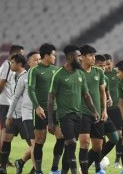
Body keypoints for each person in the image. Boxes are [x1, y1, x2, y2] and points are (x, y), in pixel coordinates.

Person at [47, 45, 100, 174]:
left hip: (78, 115)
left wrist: (94, 111)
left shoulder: (80, 73)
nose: (80, 59)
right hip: (64, 115)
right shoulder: (59, 75)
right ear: (70, 57)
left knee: (69, 146)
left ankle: (64, 171)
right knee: (71, 143)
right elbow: (50, 98)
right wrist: (50, 121)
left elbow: (86, 95)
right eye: (78, 57)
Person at [28, 43, 65, 174]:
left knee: (61, 137)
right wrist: (37, 107)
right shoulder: (35, 70)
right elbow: (31, 90)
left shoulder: (56, 70)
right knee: (40, 140)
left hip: (55, 110)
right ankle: (38, 170)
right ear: (46, 56)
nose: (55, 57)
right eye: (53, 55)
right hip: (41, 111)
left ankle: (55, 168)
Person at [0, 54, 31, 174]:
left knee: (33, 143)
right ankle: (2, 167)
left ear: (19, 64)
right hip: (13, 114)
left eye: (12, 62)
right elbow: (13, 97)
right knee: (6, 139)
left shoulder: (27, 77)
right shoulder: (13, 76)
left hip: (24, 116)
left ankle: (35, 168)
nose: (10, 64)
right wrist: (10, 114)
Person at [0, 45, 24, 166]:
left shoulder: (10, 66)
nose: (22, 56)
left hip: (8, 102)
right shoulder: (8, 65)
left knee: (5, 131)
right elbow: (1, 83)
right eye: (21, 53)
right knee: (5, 131)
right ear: (15, 54)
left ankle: (3, 159)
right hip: (4, 102)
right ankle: (2, 161)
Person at [78, 45, 108, 174]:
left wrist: (104, 110)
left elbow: (102, 93)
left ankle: (97, 168)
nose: (93, 58)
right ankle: (84, 171)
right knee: (84, 142)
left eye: (94, 55)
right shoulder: (77, 72)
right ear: (82, 57)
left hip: (97, 114)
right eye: (90, 55)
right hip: (82, 113)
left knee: (98, 146)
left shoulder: (98, 72)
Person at [86, 55, 119, 170]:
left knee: (115, 138)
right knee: (97, 145)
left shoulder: (106, 78)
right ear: (94, 65)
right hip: (91, 114)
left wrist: (109, 99)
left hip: (103, 113)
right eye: (101, 66)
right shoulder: (88, 76)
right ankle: (89, 167)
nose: (103, 68)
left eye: (105, 66)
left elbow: (106, 93)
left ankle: (96, 160)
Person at [12, 52, 41, 173]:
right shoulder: (23, 78)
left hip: (40, 114)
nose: (38, 62)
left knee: (38, 144)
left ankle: (21, 162)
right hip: (26, 115)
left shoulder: (44, 76)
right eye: (35, 60)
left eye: (40, 60)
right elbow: (16, 98)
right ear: (28, 62)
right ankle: (36, 170)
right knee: (35, 144)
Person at [103, 54, 123, 169]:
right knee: (102, 136)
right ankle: (100, 157)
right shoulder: (101, 74)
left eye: (108, 63)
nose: (107, 66)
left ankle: (117, 160)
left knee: (119, 135)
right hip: (104, 109)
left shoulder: (117, 73)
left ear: (112, 62)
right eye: (105, 64)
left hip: (116, 108)